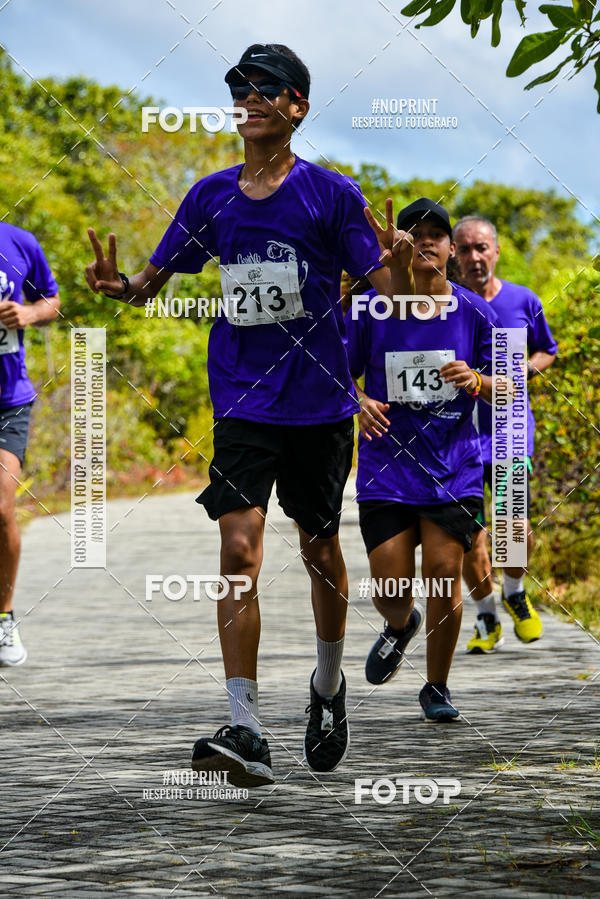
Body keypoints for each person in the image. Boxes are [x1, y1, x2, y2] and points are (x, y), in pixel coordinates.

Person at [84, 43, 413, 785]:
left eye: (269, 88)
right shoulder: (211, 197)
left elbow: (389, 291)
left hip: (321, 399)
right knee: (238, 548)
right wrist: (122, 284)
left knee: (320, 548)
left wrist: (394, 255)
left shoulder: (331, 195)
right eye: (241, 87)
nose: (252, 96)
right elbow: (152, 281)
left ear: (298, 106)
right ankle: (245, 722)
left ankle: (327, 688)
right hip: (241, 395)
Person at [346, 198, 499, 721]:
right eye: (414, 231)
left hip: (453, 465)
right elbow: (334, 373)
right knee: (390, 586)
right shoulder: (372, 307)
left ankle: (437, 686)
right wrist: (359, 401)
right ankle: (399, 623)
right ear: (397, 244)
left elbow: (512, 385)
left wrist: (479, 380)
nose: (426, 239)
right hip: (386, 467)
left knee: (442, 571)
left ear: (451, 248)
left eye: (437, 232)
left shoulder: (474, 311)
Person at [453, 216, 557, 653]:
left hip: (511, 431)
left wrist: (523, 369)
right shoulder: (447, 303)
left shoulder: (523, 299)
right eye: (465, 250)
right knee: (468, 535)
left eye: (482, 248)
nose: (475, 258)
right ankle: (486, 617)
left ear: (495, 251)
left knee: (515, 527)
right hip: (457, 437)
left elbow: (547, 350)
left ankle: (514, 591)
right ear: (453, 257)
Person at [0, 223, 60, 666]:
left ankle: (3, 618)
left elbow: (52, 301)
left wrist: (28, 314)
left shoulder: (19, 241)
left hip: (8, 399)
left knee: (1, 507)